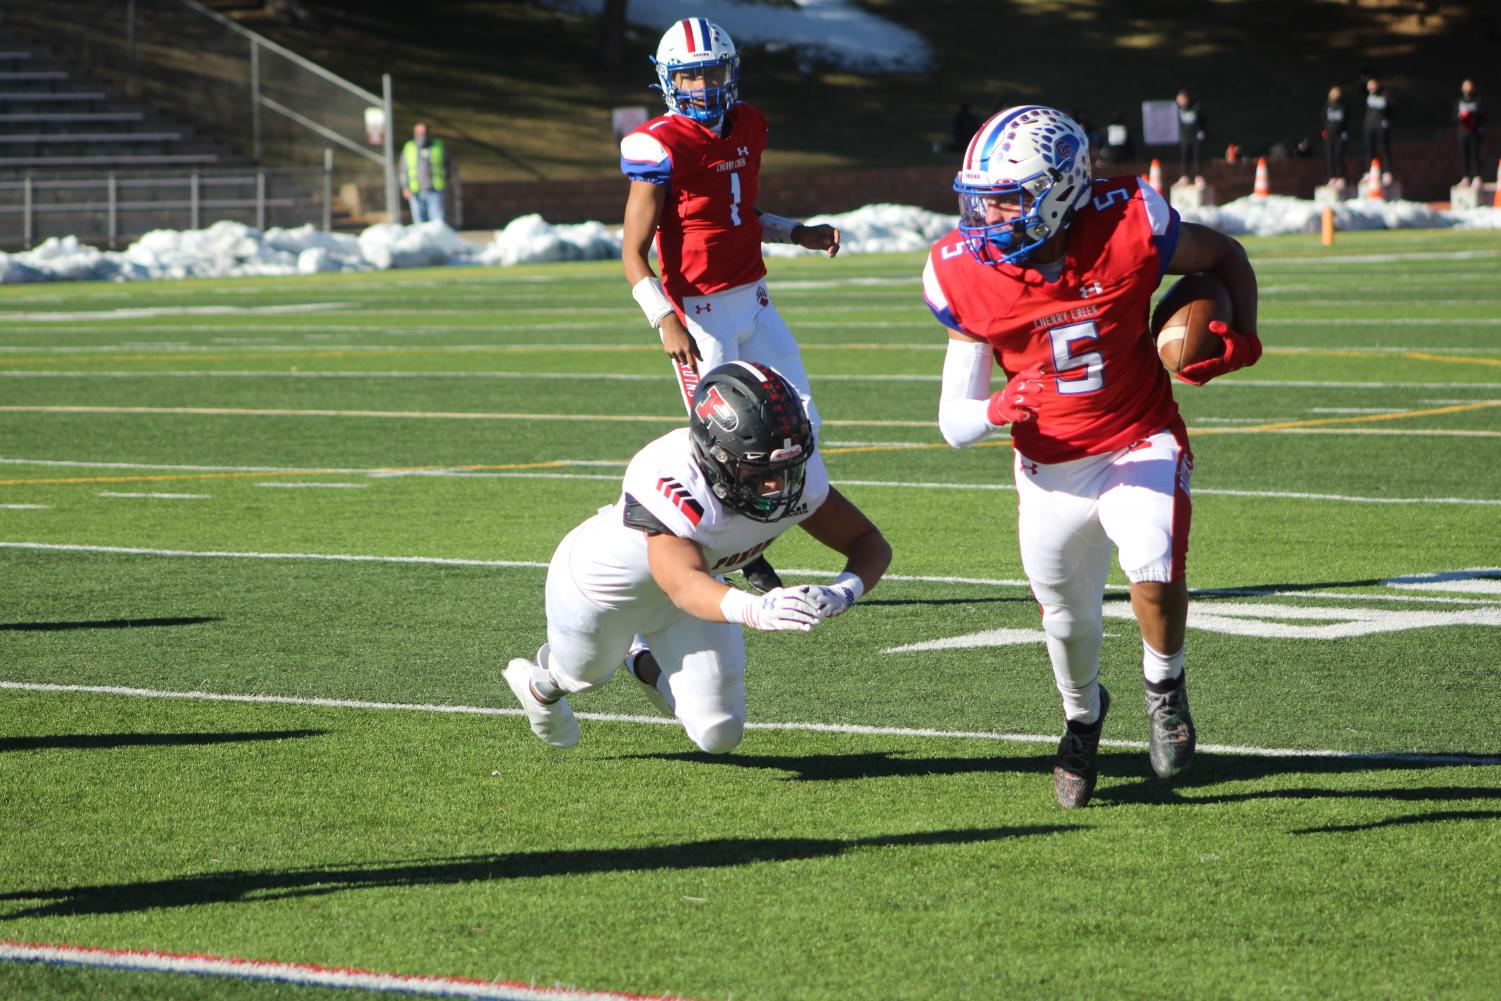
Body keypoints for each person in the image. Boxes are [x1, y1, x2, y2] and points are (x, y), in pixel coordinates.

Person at [922, 106, 1261, 809]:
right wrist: (994, 408)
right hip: (1049, 470)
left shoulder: (1129, 223)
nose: (984, 214)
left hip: (1137, 434)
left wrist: (1241, 336)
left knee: (1153, 557)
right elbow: (953, 421)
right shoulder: (963, 273)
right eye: (978, 197)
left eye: (1005, 198)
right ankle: (1081, 721)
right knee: (1066, 624)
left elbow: (1223, 254)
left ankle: (1164, 687)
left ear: (1060, 191)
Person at [501, 361, 892, 753]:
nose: (777, 486)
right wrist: (758, 610)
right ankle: (540, 688)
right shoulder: (671, 474)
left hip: (690, 595)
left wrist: (844, 592)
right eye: (757, 470)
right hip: (601, 593)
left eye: (786, 468)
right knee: (583, 677)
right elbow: (683, 582)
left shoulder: (794, 475)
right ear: (715, 454)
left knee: (718, 733)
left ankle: (641, 660)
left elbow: (869, 541)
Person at [620, 18, 841, 595]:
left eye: (712, 72)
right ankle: (719, 556)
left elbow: (739, 214)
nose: (703, 86)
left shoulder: (747, 124)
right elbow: (632, 252)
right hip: (699, 313)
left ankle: (755, 541)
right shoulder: (660, 144)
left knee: (802, 423)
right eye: (690, 76)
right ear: (669, 81)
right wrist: (663, 316)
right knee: (726, 445)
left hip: (755, 300)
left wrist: (798, 232)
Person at [400, 122, 453, 224]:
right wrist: (405, 187)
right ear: (414, 133)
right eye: (419, 132)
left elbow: (449, 166)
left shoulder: (438, 146)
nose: (422, 135)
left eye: (424, 132)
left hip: (436, 190)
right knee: (419, 223)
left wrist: (447, 181)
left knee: (437, 222)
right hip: (415, 191)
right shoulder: (409, 148)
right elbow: (403, 170)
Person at [1362, 77, 1394, 183]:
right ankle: (1368, 171)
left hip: (1381, 125)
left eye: (1372, 83)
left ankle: (1387, 172)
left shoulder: (1385, 94)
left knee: (1383, 148)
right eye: (1369, 84)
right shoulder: (1367, 94)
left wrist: (1387, 120)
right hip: (1369, 125)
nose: (1370, 86)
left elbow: (1391, 107)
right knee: (1369, 149)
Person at [1456, 79, 1485, 187]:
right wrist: (1461, 116)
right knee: (1464, 154)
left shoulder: (1477, 100)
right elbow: (1454, 116)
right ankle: (1465, 177)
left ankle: (1477, 177)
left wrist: (1473, 115)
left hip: (1474, 132)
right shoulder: (1459, 101)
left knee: (1475, 154)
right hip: (1463, 132)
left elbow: (1483, 114)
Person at [1175, 89, 1207, 185]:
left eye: (1182, 99)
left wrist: (1202, 131)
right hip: (1185, 137)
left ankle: (1199, 176)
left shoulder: (1196, 107)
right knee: (1185, 156)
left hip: (1195, 136)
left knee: (1197, 156)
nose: (1180, 102)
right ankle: (1184, 176)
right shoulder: (1179, 109)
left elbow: (1202, 121)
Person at [1322, 85, 1349, 186]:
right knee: (1330, 156)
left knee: (1338, 155)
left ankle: (1340, 177)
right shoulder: (1328, 106)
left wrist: (1345, 132)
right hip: (1329, 135)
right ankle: (1331, 177)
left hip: (1340, 135)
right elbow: (1323, 118)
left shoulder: (1343, 106)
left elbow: (1346, 119)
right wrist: (1325, 131)